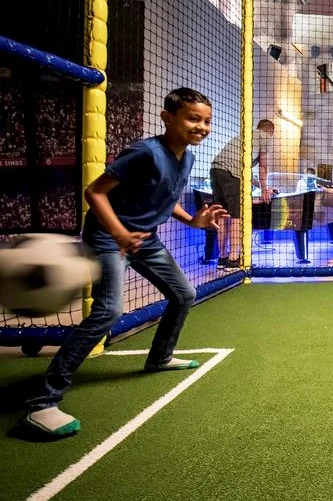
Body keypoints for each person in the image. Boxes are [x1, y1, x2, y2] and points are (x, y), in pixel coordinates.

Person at [22, 88, 228, 437]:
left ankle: (160, 357)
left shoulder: (188, 159)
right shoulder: (144, 152)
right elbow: (95, 192)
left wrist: (192, 221)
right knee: (108, 311)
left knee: (184, 294)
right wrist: (119, 233)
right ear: (167, 118)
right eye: (194, 118)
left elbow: (166, 197)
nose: (202, 126)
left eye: (206, 121)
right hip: (108, 237)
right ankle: (42, 403)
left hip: (144, 239)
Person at [209, 118, 274, 268]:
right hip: (231, 173)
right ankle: (234, 259)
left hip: (215, 171)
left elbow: (245, 172)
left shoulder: (245, 136)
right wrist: (265, 189)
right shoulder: (265, 137)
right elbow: (263, 166)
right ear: (270, 131)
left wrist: (261, 185)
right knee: (236, 216)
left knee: (222, 215)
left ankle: (223, 258)